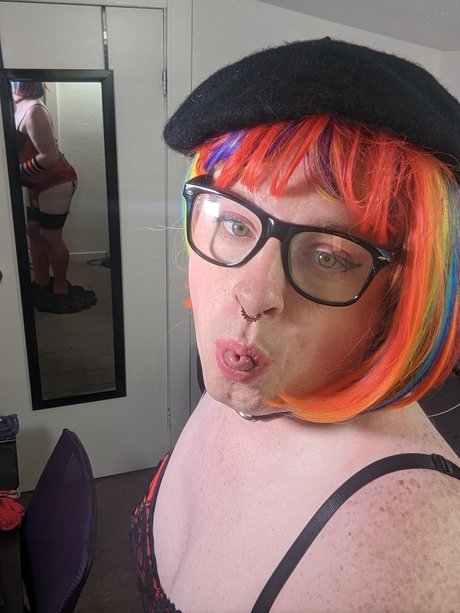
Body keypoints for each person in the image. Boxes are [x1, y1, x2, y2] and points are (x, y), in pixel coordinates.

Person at [130, 39, 460, 612]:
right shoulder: (250, 375)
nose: (253, 298)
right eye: (235, 224)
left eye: (328, 256)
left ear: (400, 296)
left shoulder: (400, 555)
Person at [12, 81, 96, 314]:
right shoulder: (16, 106)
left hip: (56, 181)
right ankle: (41, 281)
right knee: (33, 231)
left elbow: (49, 156)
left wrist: (15, 172)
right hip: (35, 183)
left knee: (50, 236)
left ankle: (60, 286)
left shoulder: (34, 110)